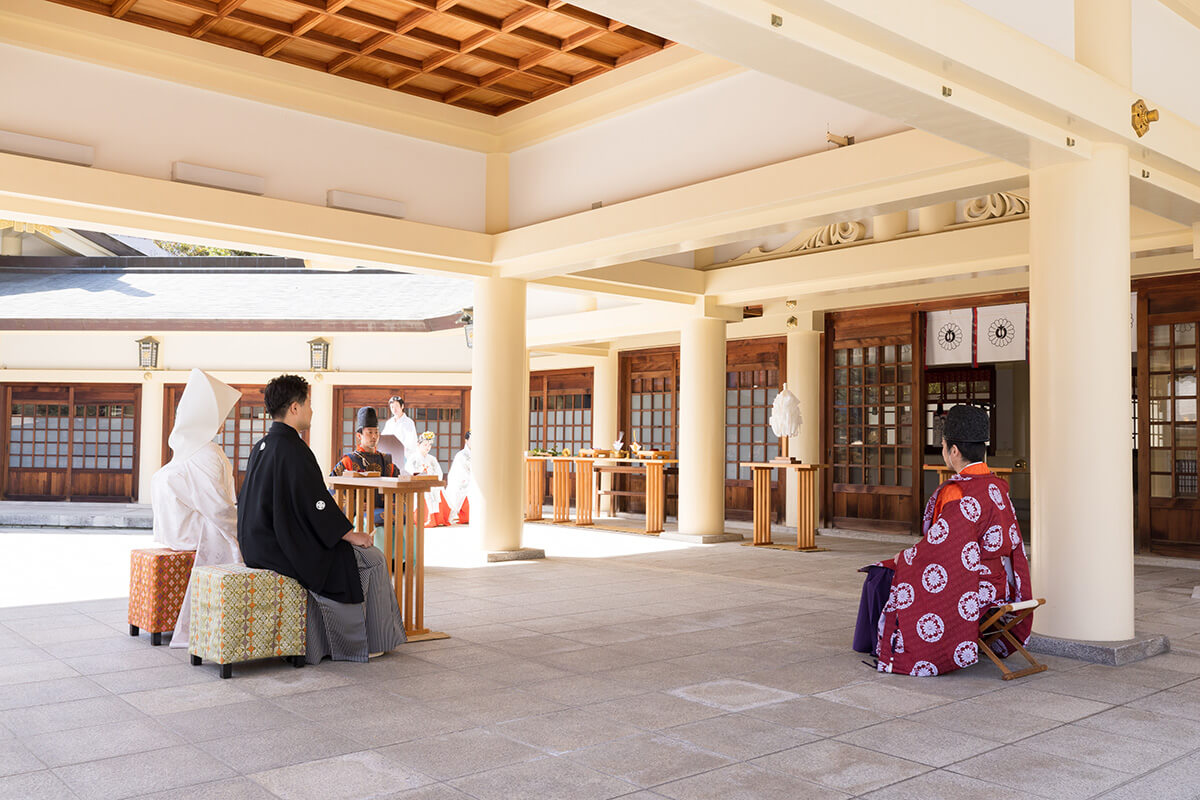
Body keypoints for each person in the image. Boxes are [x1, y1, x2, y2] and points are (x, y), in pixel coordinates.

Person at [853, 404, 1034, 677]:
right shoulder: (998, 485)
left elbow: (944, 551)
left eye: (943, 446)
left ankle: (888, 647)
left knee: (882, 574)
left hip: (974, 585)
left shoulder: (958, 492)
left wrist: (907, 557)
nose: (944, 451)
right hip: (1001, 585)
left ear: (954, 451)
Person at [237, 374, 406, 663]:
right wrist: (351, 534)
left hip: (258, 545)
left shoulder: (262, 446)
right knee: (373, 558)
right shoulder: (293, 449)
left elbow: (300, 503)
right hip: (282, 548)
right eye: (308, 404)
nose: (311, 410)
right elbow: (316, 504)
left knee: (353, 554)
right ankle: (368, 642)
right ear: (294, 408)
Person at [150, 369, 242, 649]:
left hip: (173, 531)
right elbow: (219, 509)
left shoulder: (187, 449)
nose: (223, 422)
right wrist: (244, 529)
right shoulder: (207, 452)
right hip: (192, 534)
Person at [406, 430, 449, 526]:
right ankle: (424, 519)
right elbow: (409, 470)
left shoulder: (432, 459)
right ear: (418, 444)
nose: (427, 447)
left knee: (436, 491)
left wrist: (434, 479)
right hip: (419, 484)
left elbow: (439, 472)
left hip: (431, 483)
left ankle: (436, 519)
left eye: (429, 445)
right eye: (425, 445)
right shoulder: (413, 458)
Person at [381, 395, 419, 466]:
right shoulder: (389, 422)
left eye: (396, 407)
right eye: (392, 407)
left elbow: (411, 442)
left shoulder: (408, 422)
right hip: (390, 455)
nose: (394, 409)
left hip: (404, 455)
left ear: (402, 406)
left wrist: (400, 450)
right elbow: (384, 438)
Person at [445, 431, 471, 524]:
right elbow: (460, 472)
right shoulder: (461, 455)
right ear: (466, 441)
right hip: (463, 481)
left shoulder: (479, 454)